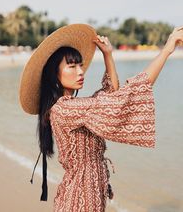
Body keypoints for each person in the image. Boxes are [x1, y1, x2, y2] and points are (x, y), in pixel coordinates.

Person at [19, 24, 183, 212]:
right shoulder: (65, 109)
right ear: (54, 76)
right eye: (72, 66)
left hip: (87, 193)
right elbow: (123, 99)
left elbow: (111, 93)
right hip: (81, 200)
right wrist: (166, 51)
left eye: (80, 65)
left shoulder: (75, 108)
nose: (80, 72)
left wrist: (108, 56)